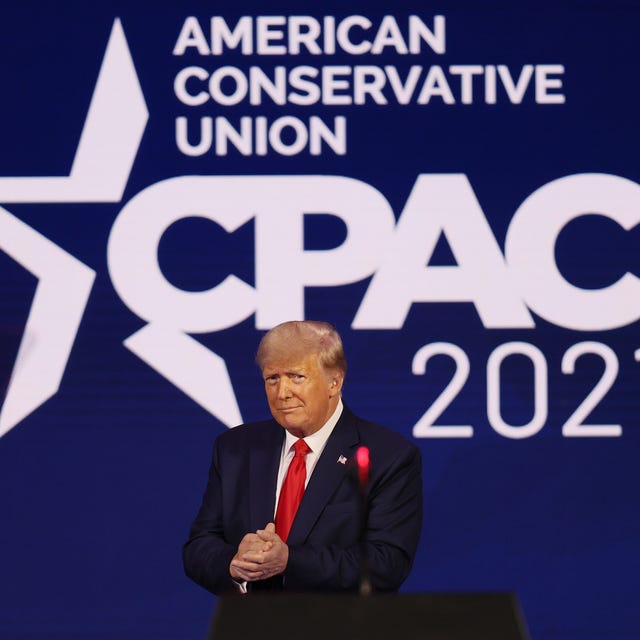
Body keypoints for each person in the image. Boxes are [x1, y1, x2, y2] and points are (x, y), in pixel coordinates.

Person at [183, 320, 422, 594]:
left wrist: (289, 560)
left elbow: (386, 564)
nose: (282, 393)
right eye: (272, 378)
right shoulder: (235, 449)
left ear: (334, 381)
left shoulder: (388, 456)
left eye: (297, 377)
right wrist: (234, 564)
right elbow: (199, 547)